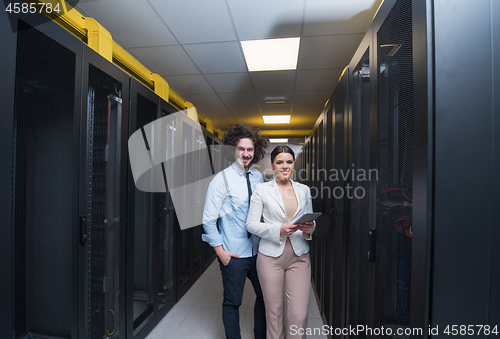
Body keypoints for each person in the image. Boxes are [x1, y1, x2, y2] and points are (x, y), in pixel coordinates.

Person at [202, 122, 269, 339]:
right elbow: (208, 220)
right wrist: (221, 253)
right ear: (233, 149)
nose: (246, 153)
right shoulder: (220, 180)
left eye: (250, 149)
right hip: (234, 254)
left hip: (258, 253)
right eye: (241, 149)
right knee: (233, 302)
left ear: (255, 151)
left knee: (264, 297)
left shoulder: (259, 177)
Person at [246, 145, 316, 339]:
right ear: (272, 165)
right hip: (270, 257)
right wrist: (278, 229)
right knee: (274, 314)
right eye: (279, 162)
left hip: (299, 256)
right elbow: (251, 224)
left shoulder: (303, 190)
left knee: (299, 315)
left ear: (294, 164)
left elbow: (310, 219)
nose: (285, 166)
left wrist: (311, 228)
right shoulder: (262, 190)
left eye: (289, 162)